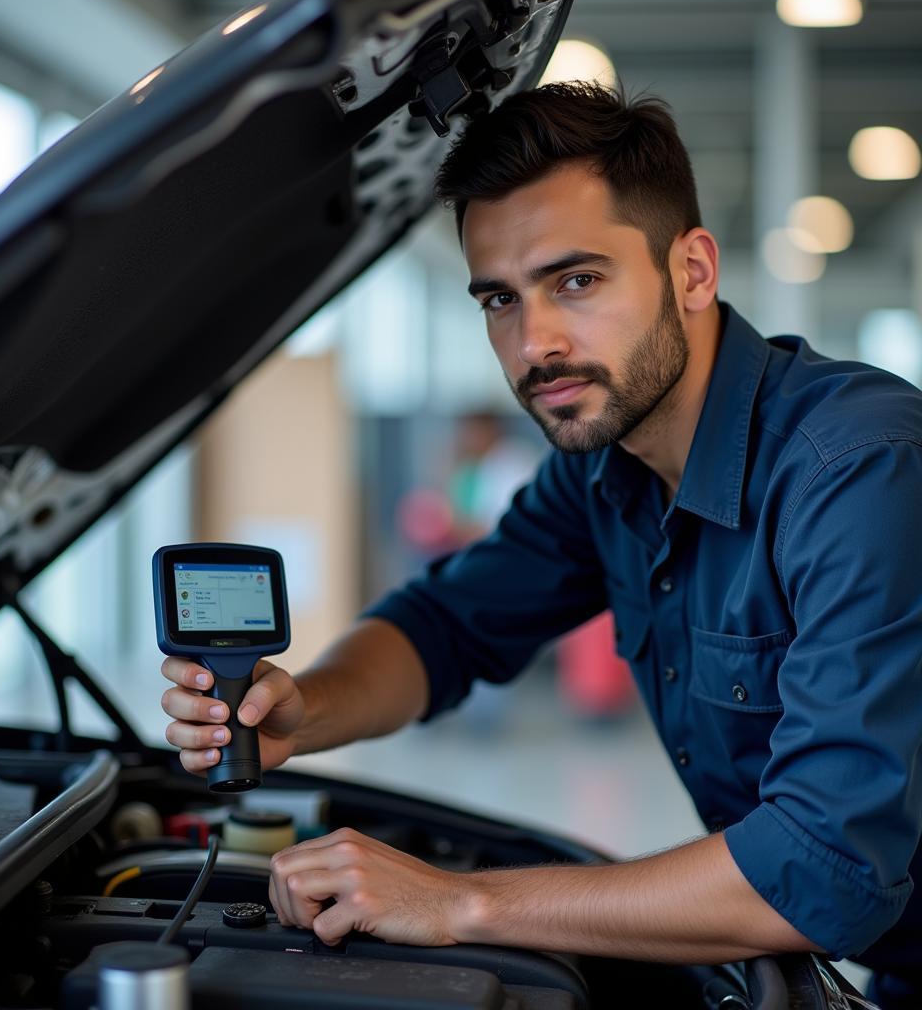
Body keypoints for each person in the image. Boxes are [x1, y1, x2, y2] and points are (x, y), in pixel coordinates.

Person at [161, 82, 922, 1007]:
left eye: (576, 280)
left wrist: (460, 903)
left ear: (692, 271)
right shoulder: (606, 468)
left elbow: (824, 864)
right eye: (498, 299)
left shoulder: (860, 469)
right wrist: (301, 710)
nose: (535, 344)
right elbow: (446, 625)